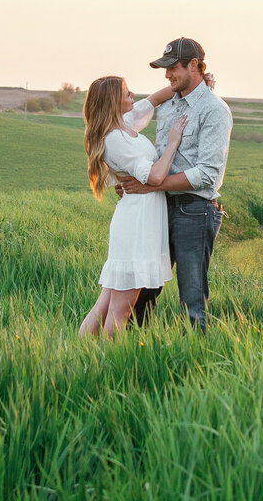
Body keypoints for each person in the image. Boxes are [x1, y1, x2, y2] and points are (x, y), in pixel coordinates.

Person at [117, 37, 233, 331]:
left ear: (193, 66)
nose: (168, 75)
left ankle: (194, 365)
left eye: (174, 69)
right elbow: (153, 150)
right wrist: (136, 181)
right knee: (143, 288)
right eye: (165, 70)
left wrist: (151, 185)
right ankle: (131, 355)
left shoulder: (214, 110)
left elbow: (206, 174)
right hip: (158, 207)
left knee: (192, 297)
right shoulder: (170, 103)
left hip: (194, 210)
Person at [79, 75, 187, 336]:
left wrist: (191, 83)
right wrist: (173, 143)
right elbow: (156, 176)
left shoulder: (125, 123)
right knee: (121, 309)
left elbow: (154, 99)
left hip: (140, 218)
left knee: (106, 303)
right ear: (112, 101)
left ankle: (81, 354)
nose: (132, 95)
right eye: (126, 93)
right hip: (136, 224)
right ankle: (108, 363)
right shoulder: (114, 140)